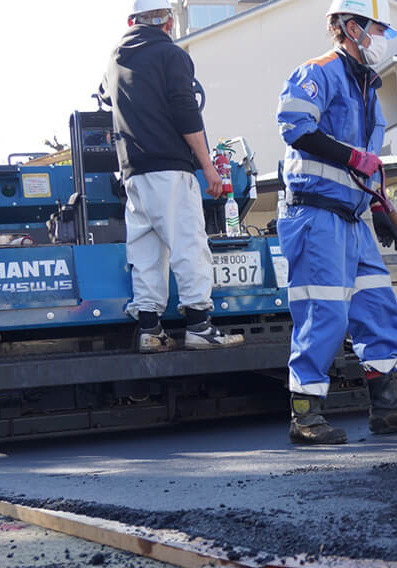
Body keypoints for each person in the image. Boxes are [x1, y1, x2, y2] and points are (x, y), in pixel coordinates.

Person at [275, 0, 397, 445]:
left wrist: (381, 209)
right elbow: (294, 127)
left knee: (378, 307)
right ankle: (306, 415)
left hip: (354, 216)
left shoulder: (368, 84)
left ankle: (387, 406)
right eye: (377, 29)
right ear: (350, 27)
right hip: (315, 214)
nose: (382, 39)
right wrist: (351, 156)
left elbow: (370, 165)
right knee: (323, 311)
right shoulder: (319, 72)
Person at [99, 0, 244, 353]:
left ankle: (151, 329)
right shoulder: (170, 54)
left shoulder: (115, 59)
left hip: (133, 173)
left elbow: (105, 98)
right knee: (188, 244)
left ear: (133, 21)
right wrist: (207, 165)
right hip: (169, 169)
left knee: (147, 252)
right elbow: (185, 110)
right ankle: (199, 326)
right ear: (167, 21)